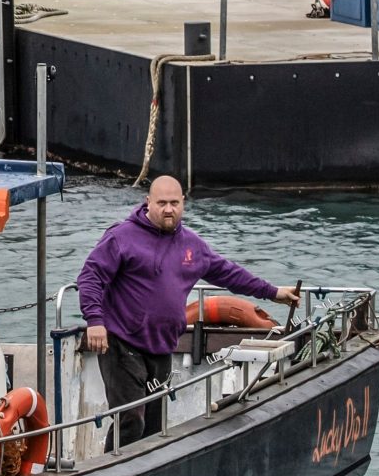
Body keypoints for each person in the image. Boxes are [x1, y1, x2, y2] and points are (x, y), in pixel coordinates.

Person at [76, 175, 298, 448]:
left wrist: (273, 292)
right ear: (148, 203)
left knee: (155, 427)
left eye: (174, 203)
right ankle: (106, 475)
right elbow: (90, 276)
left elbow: (229, 274)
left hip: (160, 346)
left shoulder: (192, 245)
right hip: (122, 343)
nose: (168, 209)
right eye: (161, 203)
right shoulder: (121, 237)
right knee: (131, 419)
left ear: (183, 203)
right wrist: (95, 320)